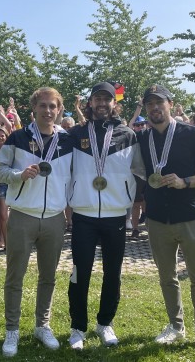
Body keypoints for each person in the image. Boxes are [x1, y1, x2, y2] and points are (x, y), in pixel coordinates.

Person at [136, 84, 195, 359]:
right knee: (166, 277)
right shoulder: (143, 138)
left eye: (159, 103)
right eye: (149, 104)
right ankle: (175, 326)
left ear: (170, 104)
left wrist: (187, 181)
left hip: (190, 216)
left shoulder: (191, 133)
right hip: (158, 219)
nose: (154, 108)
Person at [0, 87, 73, 357]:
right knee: (15, 276)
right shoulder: (17, 137)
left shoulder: (68, 140)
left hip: (54, 218)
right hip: (23, 216)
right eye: (44, 106)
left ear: (59, 110)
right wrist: (19, 175)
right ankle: (12, 330)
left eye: (53, 106)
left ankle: (42, 325)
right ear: (34, 108)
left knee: (48, 277)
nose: (48, 111)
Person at [67, 82, 143, 350]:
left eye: (107, 99)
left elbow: (140, 171)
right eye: (97, 99)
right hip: (84, 215)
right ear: (89, 103)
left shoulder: (128, 135)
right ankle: (77, 327)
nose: (102, 103)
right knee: (80, 272)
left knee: (113, 273)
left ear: (115, 103)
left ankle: (104, 323)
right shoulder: (75, 134)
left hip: (114, 216)